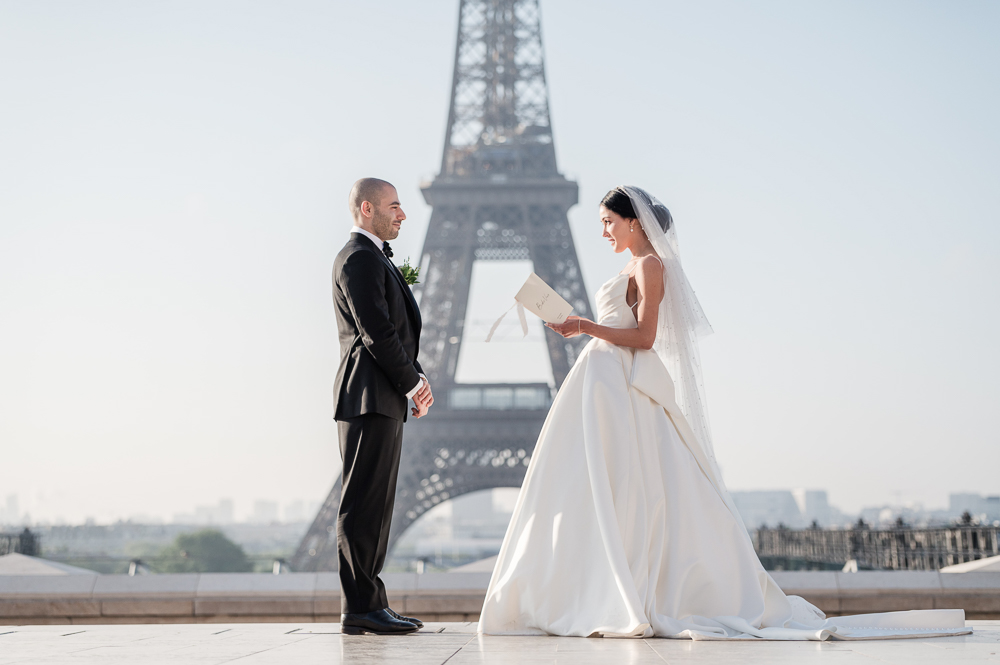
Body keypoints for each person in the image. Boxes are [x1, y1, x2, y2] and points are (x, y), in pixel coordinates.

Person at [477, 185, 969, 640]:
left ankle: (613, 591)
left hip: (616, 379)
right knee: (610, 487)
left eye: (608, 221)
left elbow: (645, 338)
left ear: (633, 222)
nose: (604, 231)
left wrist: (585, 325)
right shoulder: (632, 267)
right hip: (602, 380)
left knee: (626, 486)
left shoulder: (649, 266)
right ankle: (596, 586)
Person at [332, 177, 434, 635]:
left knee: (379, 505)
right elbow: (376, 332)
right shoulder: (358, 258)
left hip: (383, 395)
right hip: (370, 395)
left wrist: (415, 379)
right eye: (395, 205)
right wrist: (413, 383)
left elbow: (391, 331)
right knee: (363, 504)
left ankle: (371, 603)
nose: (403, 214)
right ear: (367, 209)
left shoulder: (373, 258)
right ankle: (359, 608)